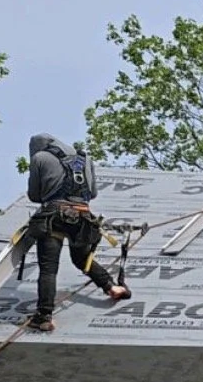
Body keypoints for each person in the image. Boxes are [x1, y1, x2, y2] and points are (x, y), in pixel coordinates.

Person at [23, 133, 131, 331]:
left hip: (54, 217)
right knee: (81, 259)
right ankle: (112, 287)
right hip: (83, 218)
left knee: (48, 268)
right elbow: (93, 193)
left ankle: (44, 316)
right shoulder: (85, 158)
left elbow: (34, 196)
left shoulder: (39, 158)